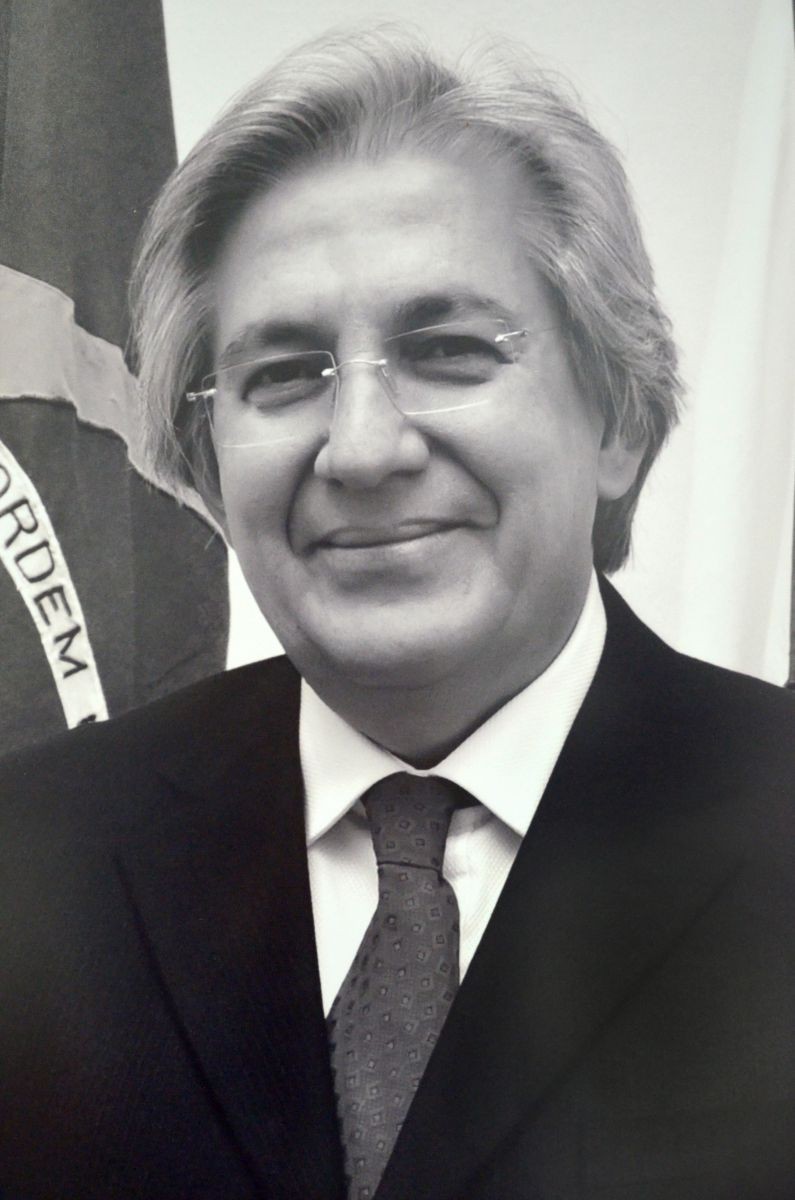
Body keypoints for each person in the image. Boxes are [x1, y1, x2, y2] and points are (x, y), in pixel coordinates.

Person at [1, 26, 793, 1200]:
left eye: (449, 351)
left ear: (619, 421)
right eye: (283, 374)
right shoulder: (32, 858)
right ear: (205, 466)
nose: (362, 449)